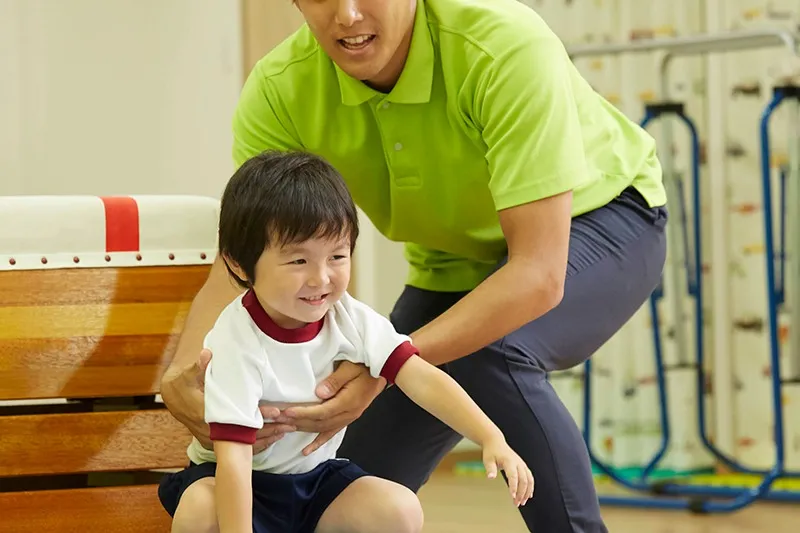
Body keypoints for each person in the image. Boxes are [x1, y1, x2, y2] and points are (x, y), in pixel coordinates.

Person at [160, 0, 668, 531]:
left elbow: (537, 274)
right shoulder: (280, 89)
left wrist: (386, 365)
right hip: (451, 263)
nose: (348, 15)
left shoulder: (502, 47)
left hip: (602, 221)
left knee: (490, 354)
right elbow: (240, 261)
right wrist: (179, 371)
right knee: (353, 486)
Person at [158, 150, 533, 533]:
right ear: (239, 264)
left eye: (337, 255)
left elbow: (420, 376)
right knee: (200, 509)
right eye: (298, 262)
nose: (321, 278)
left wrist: (490, 436)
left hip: (315, 480)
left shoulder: (348, 317)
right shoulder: (236, 338)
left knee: (398, 508)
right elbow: (234, 460)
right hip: (232, 480)